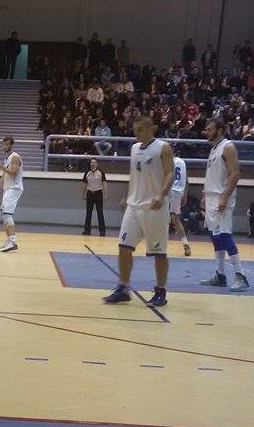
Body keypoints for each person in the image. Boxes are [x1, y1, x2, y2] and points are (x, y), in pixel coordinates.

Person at [102, 116, 173, 307]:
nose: (136, 134)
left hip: (155, 208)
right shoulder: (134, 148)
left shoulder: (163, 147)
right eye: (135, 130)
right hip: (134, 206)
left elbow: (170, 173)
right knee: (124, 247)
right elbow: (134, 176)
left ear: (152, 129)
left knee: (158, 252)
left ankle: (160, 291)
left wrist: (161, 194)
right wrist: (127, 196)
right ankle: (123, 289)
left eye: (140, 130)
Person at [199, 117, 250, 292]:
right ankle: (220, 275)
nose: (207, 132)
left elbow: (235, 174)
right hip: (212, 197)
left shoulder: (228, 147)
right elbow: (214, 176)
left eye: (210, 129)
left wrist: (224, 196)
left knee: (224, 235)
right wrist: (205, 194)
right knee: (215, 237)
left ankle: (241, 275)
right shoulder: (214, 149)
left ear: (220, 130)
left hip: (222, 197)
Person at [0, 136, 23, 252]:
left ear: (11, 145)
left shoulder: (15, 157)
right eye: (3, 144)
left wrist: (0, 166)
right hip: (8, 188)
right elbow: (4, 175)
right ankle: (9, 240)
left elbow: (13, 173)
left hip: (14, 188)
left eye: (6, 144)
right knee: (5, 214)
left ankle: (13, 242)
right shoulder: (7, 158)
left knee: (7, 215)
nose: (4, 146)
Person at [168, 147, 192, 256]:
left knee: (163, 218)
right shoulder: (182, 162)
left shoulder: (168, 162)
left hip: (169, 190)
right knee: (175, 219)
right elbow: (186, 180)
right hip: (179, 192)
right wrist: (185, 195)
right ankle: (185, 244)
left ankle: (159, 244)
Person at [81, 158, 107, 236]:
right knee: (88, 212)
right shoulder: (87, 173)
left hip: (98, 193)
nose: (92, 164)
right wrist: (83, 194)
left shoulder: (100, 172)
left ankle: (102, 231)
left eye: (94, 162)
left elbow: (104, 183)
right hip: (90, 194)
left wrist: (105, 194)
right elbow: (84, 184)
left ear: (97, 164)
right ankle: (87, 230)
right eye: (91, 162)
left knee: (100, 212)